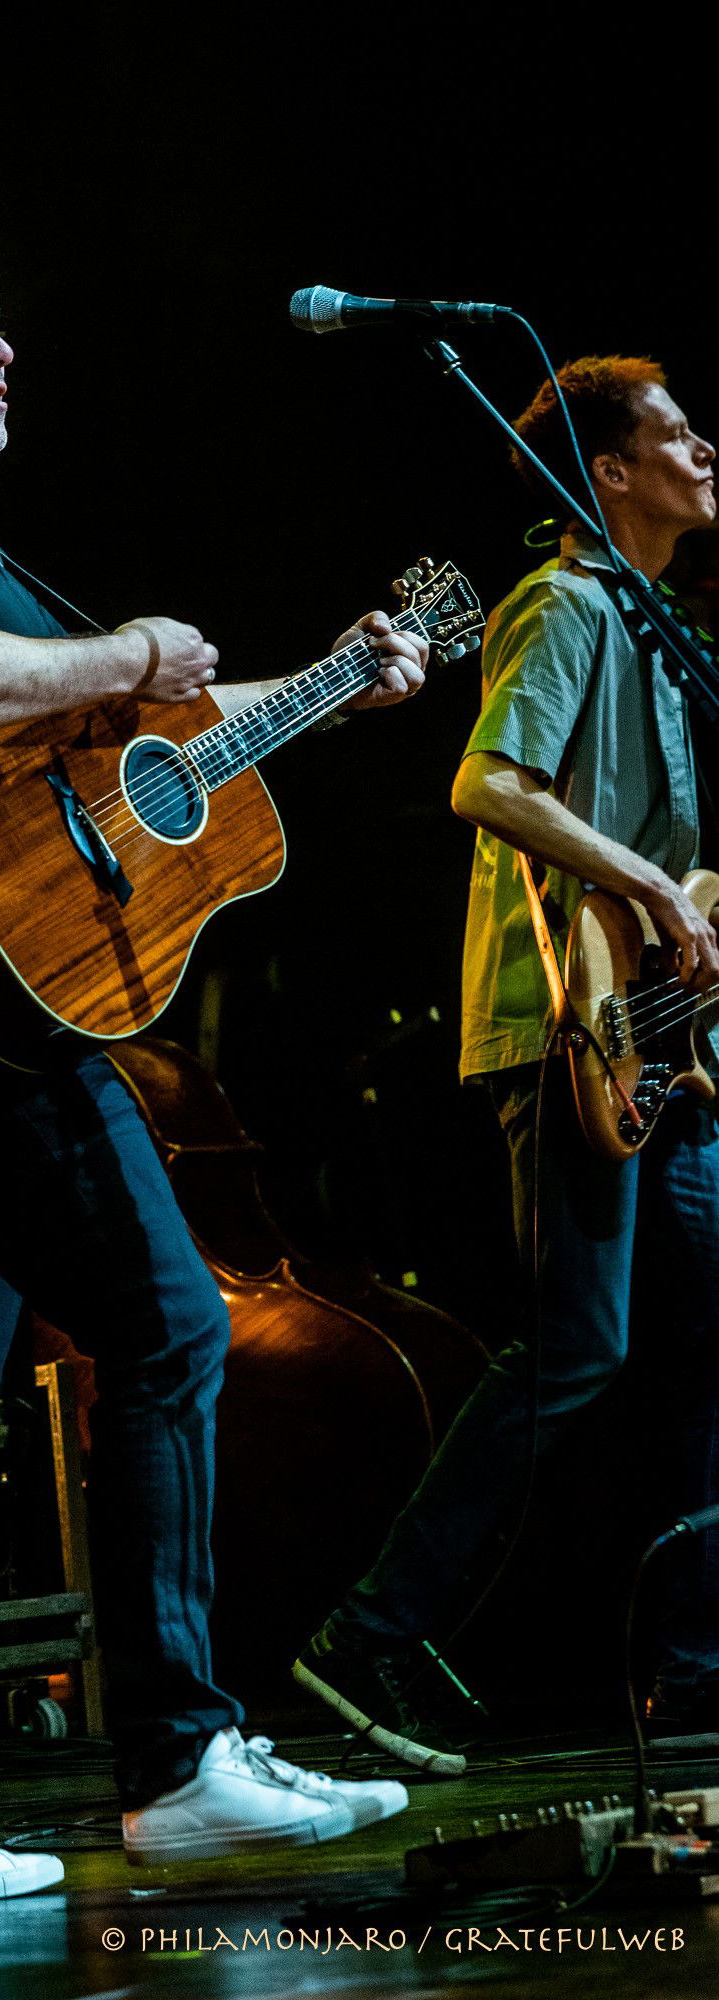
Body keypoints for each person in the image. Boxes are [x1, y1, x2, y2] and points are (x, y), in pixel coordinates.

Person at [0, 213, 429, 1915]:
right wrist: (128, 653)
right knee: (171, 1323)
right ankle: (182, 1761)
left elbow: (109, 736)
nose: (0, 350)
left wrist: (323, 688)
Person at [295, 355, 719, 1771]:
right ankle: (367, 1637)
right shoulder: (563, 600)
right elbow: (485, 780)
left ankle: (694, 1668)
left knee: (701, 1339)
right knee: (577, 1346)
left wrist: (679, 907)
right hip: (567, 1026)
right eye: (674, 435)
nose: (704, 450)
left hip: (663, 1042)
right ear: (608, 473)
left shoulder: (656, 623)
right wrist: (649, 890)